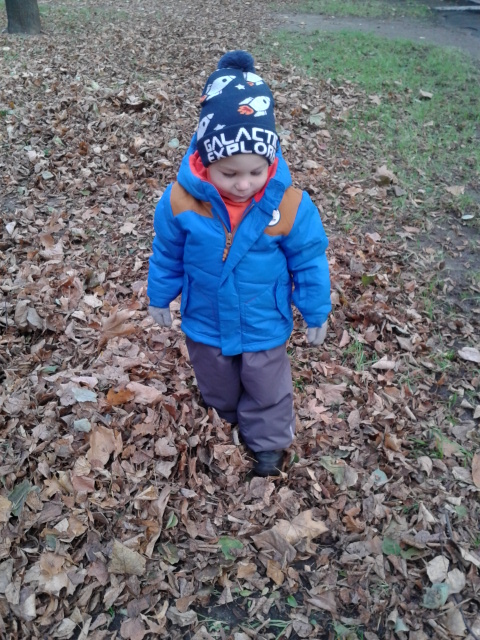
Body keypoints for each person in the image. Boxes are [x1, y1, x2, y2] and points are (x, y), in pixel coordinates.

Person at [147, 50, 331, 477]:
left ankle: (267, 444)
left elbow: (308, 260)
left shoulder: (289, 205)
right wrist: (159, 295)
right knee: (215, 378)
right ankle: (225, 418)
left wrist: (315, 308)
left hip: (263, 319)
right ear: (205, 160)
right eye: (229, 174)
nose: (244, 184)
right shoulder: (180, 201)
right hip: (205, 317)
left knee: (267, 386)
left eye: (255, 172)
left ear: (271, 161)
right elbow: (167, 252)